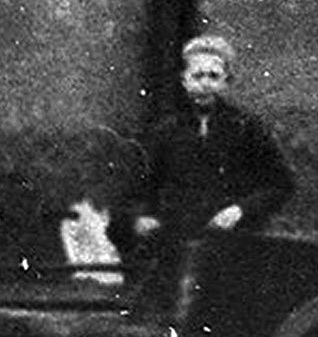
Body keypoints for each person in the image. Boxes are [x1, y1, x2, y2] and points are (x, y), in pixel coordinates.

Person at [115, 35, 296, 313]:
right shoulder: (166, 132)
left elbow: (281, 184)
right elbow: (138, 188)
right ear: (185, 80)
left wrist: (239, 210)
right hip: (174, 248)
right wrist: (140, 219)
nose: (205, 84)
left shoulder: (247, 129)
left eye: (214, 76)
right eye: (197, 75)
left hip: (231, 248)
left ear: (226, 81)